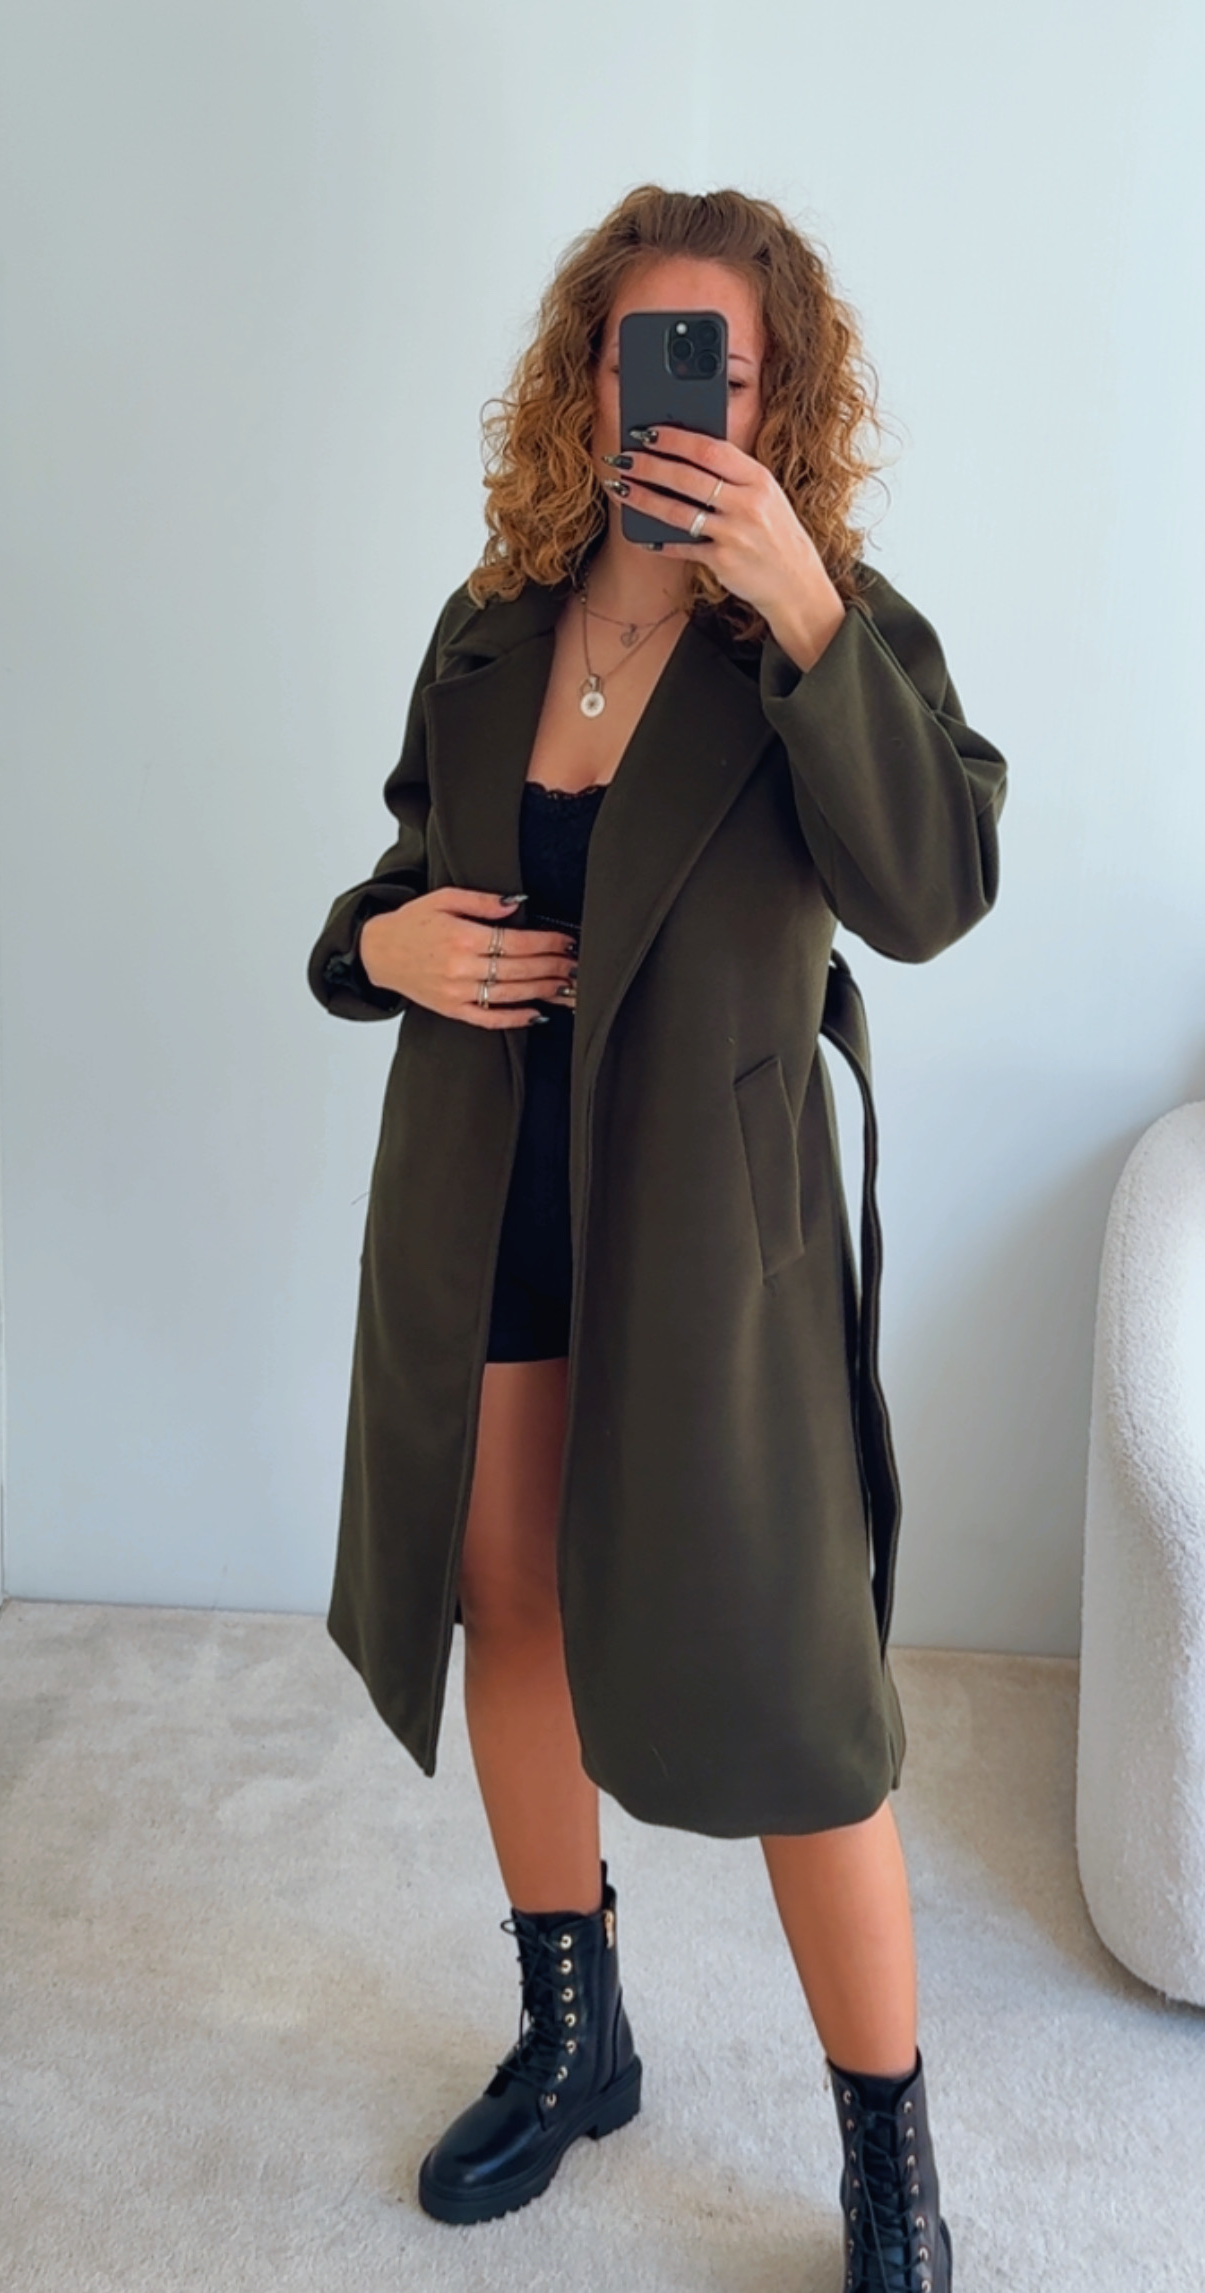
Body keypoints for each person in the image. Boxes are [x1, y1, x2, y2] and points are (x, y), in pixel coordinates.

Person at [307, 184, 1007, 2291]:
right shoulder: (495, 620)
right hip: (488, 1185)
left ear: (777, 397)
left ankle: (887, 2159)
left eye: (724, 361)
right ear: (588, 375)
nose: (675, 393)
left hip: (708, 1236)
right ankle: (574, 2029)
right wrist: (379, 946)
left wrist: (800, 609)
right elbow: (408, 872)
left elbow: (933, 889)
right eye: (640, 352)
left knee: (795, 1695)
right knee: (508, 1596)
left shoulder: (827, 633)